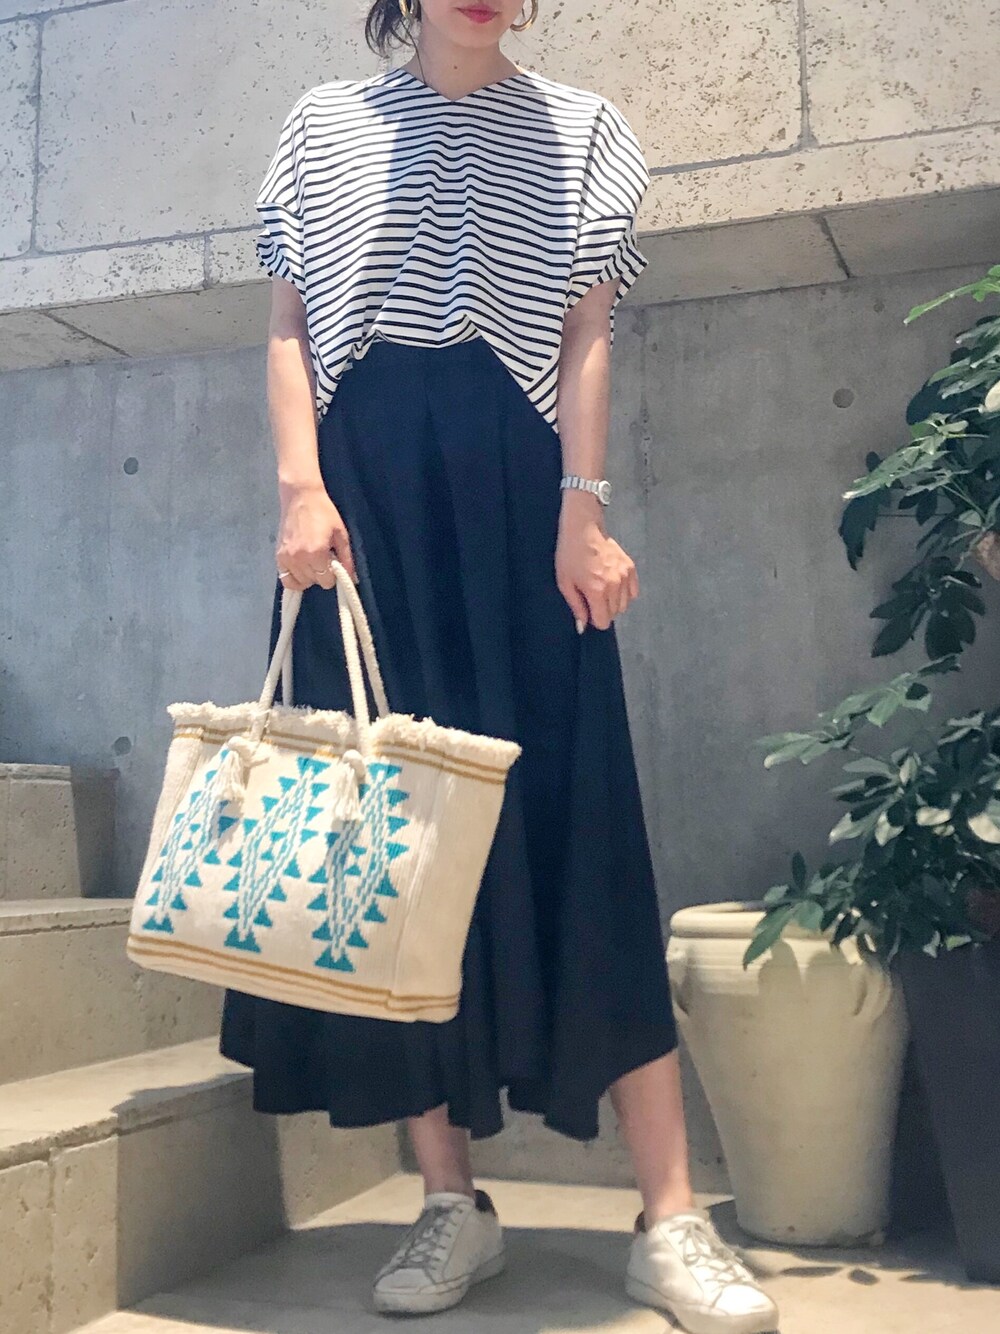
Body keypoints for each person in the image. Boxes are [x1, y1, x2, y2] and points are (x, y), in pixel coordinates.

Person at [220, 3, 780, 1331]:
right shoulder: (323, 126)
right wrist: (300, 491)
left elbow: (586, 335)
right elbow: (291, 324)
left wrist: (583, 510)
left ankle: (671, 1216)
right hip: (367, 506)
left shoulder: (585, 131)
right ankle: (449, 1199)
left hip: (525, 496)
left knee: (584, 817)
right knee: (389, 853)